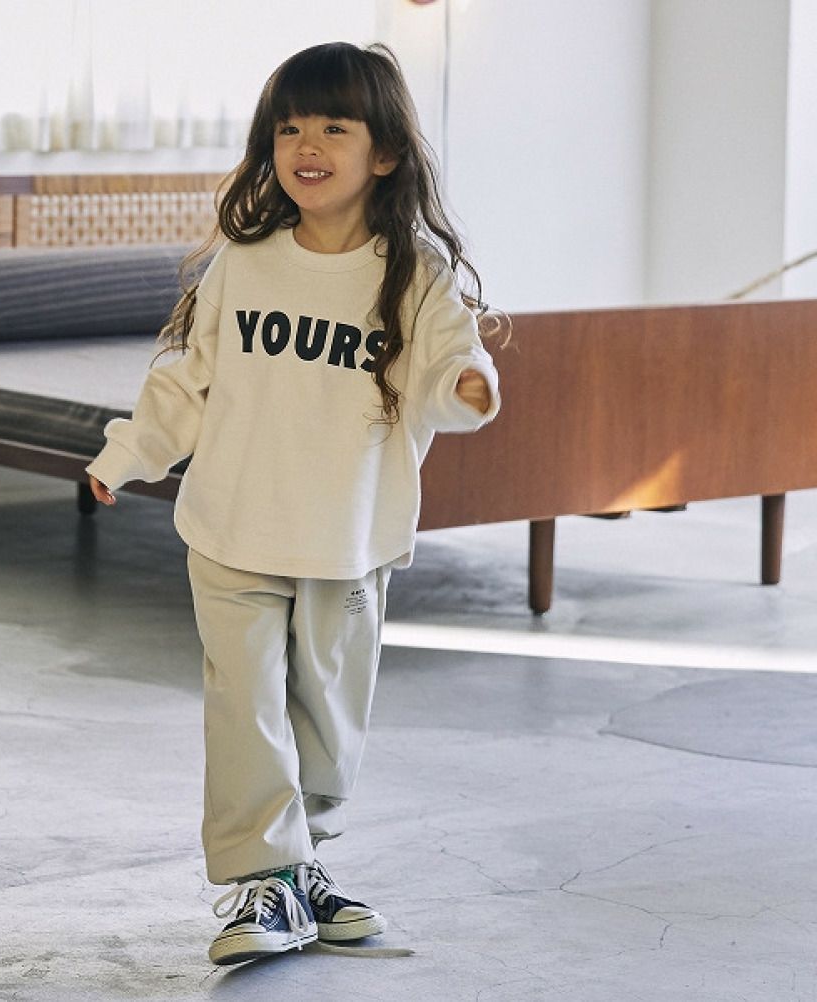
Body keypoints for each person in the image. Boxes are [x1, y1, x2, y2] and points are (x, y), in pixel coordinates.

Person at [86, 40, 502, 966]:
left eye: (333, 127)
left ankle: (296, 867)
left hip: (346, 539)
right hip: (232, 525)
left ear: (383, 152)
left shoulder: (415, 274)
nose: (306, 145)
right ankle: (265, 879)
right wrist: (129, 453)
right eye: (289, 128)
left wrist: (466, 388)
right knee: (247, 706)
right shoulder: (244, 263)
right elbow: (189, 380)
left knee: (326, 721)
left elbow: (449, 362)